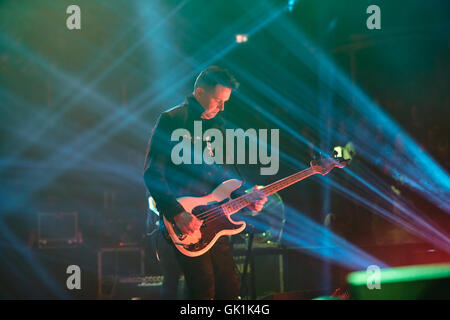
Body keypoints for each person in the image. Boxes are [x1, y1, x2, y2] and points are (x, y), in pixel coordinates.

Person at [143, 66, 267, 299]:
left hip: (213, 219)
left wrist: (244, 197)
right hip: (182, 220)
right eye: (218, 101)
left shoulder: (217, 125)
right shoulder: (171, 120)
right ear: (199, 92)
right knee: (203, 287)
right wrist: (177, 213)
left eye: (225, 102)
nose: (222, 107)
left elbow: (223, 176)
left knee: (229, 285)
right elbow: (152, 173)